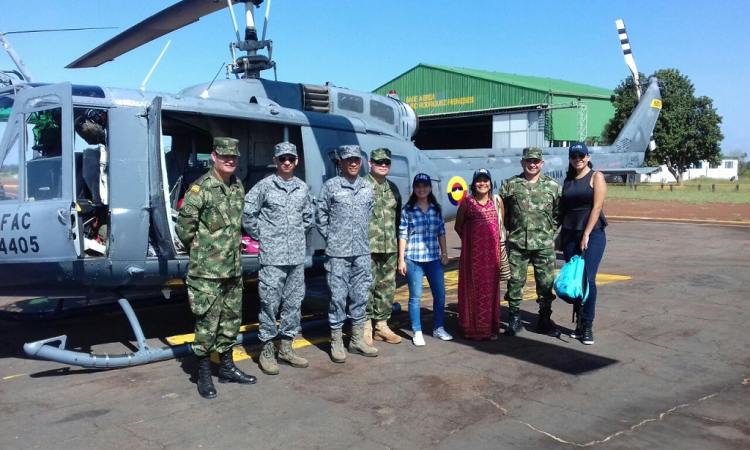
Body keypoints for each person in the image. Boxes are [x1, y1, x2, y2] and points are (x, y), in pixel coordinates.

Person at [176, 137, 257, 399]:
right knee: (207, 323)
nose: (230, 160)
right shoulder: (200, 189)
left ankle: (227, 367)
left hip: (233, 269)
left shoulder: (237, 186)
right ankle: (202, 374)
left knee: (231, 321)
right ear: (213, 156)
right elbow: (184, 229)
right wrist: (203, 252)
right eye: (224, 156)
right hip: (207, 271)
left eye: (233, 157)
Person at [243, 142, 313, 375]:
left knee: (293, 303)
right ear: (275, 160)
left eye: (290, 159)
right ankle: (267, 350)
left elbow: (307, 218)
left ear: (296, 161)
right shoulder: (264, 186)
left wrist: (294, 237)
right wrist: (263, 235)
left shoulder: (302, 188)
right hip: (272, 257)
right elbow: (248, 213)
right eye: (282, 158)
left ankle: (286, 348)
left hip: (295, 257)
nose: (286, 162)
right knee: (269, 303)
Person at [316, 144, 378, 363]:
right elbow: (321, 216)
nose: (353, 163)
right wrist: (332, 238)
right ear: (340, 162)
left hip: (361, 251)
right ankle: (336, 341)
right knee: (338, 298)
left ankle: (357, 340)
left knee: (360, 296)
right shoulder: (331, 187)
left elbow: (369, 213)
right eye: (348, 160)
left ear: (361, 162)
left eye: (356, 160)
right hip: (338, 253)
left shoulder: (367, 187)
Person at [501, 147, 562, 338]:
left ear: (542, 163)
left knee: (545, 283)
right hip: (518, 243)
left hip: (543, 244)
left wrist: (548, 231)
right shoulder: (511, 185)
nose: (532, 164)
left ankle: (544, 319)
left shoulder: (553, 186)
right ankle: (514, 319)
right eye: (529, 161)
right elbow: (502, 211)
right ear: (522, 163)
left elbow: (558, 213)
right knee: (515, 282)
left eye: (536, 161)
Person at [560, 142, 608, 345]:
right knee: (574, 280)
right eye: (574, 156)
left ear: (588, 157)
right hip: (570, 233)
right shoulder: (569, 179)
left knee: (588, 278)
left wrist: (586, 233)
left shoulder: (596, 176)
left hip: (592, 233)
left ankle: (588, 326)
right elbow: (563, 209)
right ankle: (579, 324)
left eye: (581, 156)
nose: (578, 159)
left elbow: (597, 207)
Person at [398, 173, 453, 346]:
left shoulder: (436, 208)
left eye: (425, 186)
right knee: (415, 297)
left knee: (440, 295)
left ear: (430, 188)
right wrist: (401, 259)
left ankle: (438, 328)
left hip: (433, 259)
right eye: (418, 186)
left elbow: (441, 232)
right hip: (414, 259)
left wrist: (444, 254)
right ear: (414, 189)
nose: (421, 189)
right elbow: (403, 235)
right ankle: (417, 331)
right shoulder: (408, 210)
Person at [454, 168, 506, 340]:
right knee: (472, 291)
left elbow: (500, 226)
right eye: (479, 180)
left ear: (490, 184)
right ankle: (473, 330)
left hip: (492, 259)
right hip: (472, 259)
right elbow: (458, 226)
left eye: (486, 180)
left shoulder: (497, 202)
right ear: (473, 184)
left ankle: (490, 329)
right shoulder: (467, 203)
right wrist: (471, 243)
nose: (482, 183)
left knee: (491, 291)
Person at [364, 148, 403, 345]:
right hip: (367, 247)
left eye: (386, 162)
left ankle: (381, 325)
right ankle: (365, 326)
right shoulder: (361, 186)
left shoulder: (393, 189)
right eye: (379, 162)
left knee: (387, 287)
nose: (383, 165)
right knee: (366, 286)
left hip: (390, 247)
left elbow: (398, 220)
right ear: (370, 163)